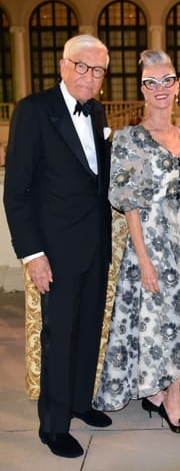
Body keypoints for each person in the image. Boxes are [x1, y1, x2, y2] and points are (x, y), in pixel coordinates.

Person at [3, 34, 112, 458]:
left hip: (95, 244)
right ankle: (53, 425)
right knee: (59, 336)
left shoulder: (98, 111)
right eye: (81, 66)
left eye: (97, 70)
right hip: (55, 250)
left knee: (87, 330)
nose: (89, 76)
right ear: (63, 66)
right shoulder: (33, 110)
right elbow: (16, 191)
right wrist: (33, 254)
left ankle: (80, 402)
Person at [93, 50, 180, 436]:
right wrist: (144, 260)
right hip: (152, 242)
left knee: (177, 319)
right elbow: (128, 204)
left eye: (167, 80)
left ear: (177, 86)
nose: (160, 88)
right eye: (150, 82)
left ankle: (159, 394)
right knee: (164, 322)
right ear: (141, 89)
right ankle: (171, 401)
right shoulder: (129, 139)